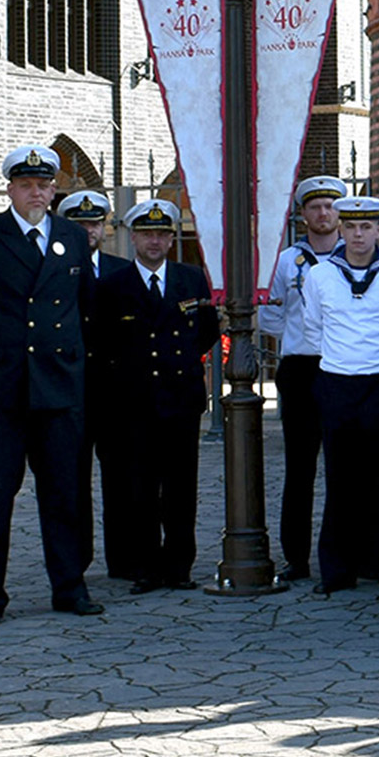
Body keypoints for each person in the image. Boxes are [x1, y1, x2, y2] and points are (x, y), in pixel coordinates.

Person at [0, 145, 102, 626]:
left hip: (57, 387)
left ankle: (69, 587)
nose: (37, 192)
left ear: (54, 190)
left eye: (45, 185)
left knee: (64, 492)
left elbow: (82, 304)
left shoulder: (72, 237)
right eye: (27, 184)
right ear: (10, 187)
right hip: (0, 390)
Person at [91, 199, 219, 595]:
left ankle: (179, 566)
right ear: (132, 238)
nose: (154, 242)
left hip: (180, 399)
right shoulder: (112, 286)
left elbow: (207, 331)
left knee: (181, 489)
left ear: (171, 238)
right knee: (139, 489)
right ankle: (145, 566)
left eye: (162, 234)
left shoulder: (191, 278)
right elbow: (103, 340)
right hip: (133, 401)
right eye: (146, 234)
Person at [298, 195, 379, 595]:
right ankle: (336, 571)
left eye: (368, 227)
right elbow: (314, 327)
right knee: (340, 481)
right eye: (352, 227)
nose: (359, 235)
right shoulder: (320, 276)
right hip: (337, 384)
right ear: (341, 230)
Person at [259, 174, 344, 581]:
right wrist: (299, 336)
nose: (323, 213)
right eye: (315, 206)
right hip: (300, 368)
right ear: (303, 214)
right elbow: (270, 313)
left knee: (346, 466)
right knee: (299, 468)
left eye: (330, 206)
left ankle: (350, 554)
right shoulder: (286, 260)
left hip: (345, 368)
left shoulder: (357, 256)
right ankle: (296, 556)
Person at [59, 188, 127, 576]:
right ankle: (76, 560)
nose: (88, 231)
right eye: (80, 223)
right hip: (70, 389)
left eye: (95, 223)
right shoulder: (53, 267)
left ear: (106, 228)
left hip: (115, 391)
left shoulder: (121, 271)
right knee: (71, 480)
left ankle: (123, 558)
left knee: (121, 478)